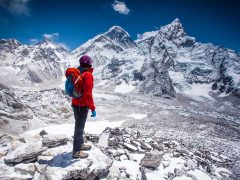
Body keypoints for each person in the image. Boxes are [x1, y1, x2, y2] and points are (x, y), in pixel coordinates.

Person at [72, 55, 96, 159]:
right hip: (82, 105)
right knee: (79, 128)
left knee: (79, 126)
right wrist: (93, 108)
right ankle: (76, 151)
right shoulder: (87, 75)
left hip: (75, 103)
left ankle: (80, 144)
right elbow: (88, 94)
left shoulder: (77, 72)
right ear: (89, 63)